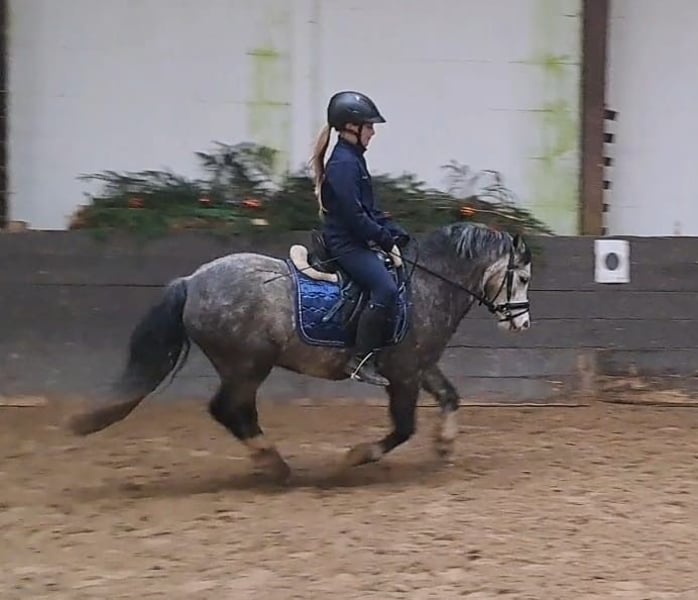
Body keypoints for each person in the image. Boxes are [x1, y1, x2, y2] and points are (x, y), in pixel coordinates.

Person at [310, 90, 410, 386]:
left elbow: (368, 209)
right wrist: (384, 240)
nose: (373, 132)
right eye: (369, 126)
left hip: (355, 239)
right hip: (345, 245)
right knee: (386, 290)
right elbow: (354, 217)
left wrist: (395, 231)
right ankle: (361, 360)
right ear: (351, 127)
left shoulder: (353, 159)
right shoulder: (343, 164)